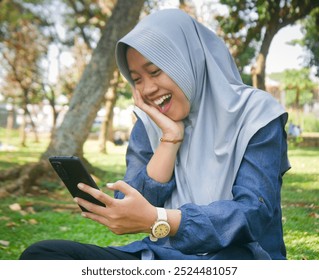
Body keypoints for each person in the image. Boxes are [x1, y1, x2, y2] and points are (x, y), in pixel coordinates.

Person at [20, 9, 290, 260]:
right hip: (162, 257)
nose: (147, 89)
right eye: (137, 79)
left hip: (236, 258)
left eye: (155, 71)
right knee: (41, 255)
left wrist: (159, 220)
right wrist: (169, 140)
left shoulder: (256, 114)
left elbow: (253, 214)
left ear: (188, 61)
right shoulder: (149, 124)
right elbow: (131, 202)